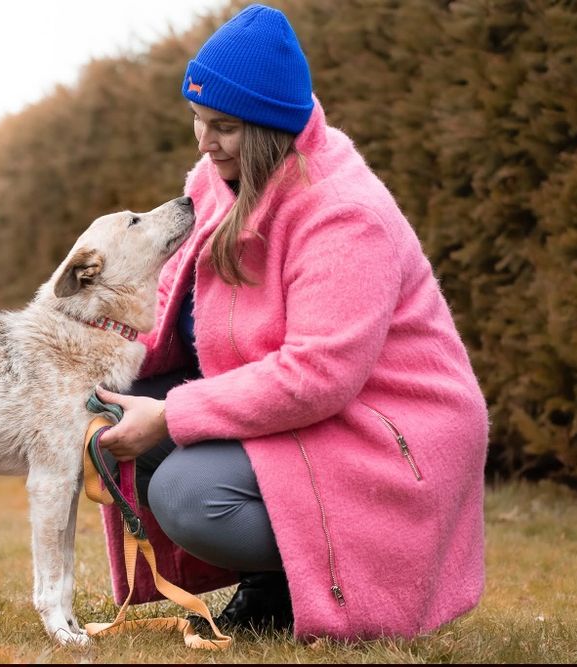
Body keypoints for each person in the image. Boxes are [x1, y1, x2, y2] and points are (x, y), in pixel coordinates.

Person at [93, 3, 489, 641]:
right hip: (299, 405)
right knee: (110, 413)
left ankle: (285, 585)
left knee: (188, 496)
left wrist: (171, 416)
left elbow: (319, 375)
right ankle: (276, 575)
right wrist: (90, 367)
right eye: (197, 120)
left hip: (384, 427)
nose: (203, 141)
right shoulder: (217, 180)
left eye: (222, 126)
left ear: (270, 127)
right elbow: (165, 307)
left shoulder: (344, 216)